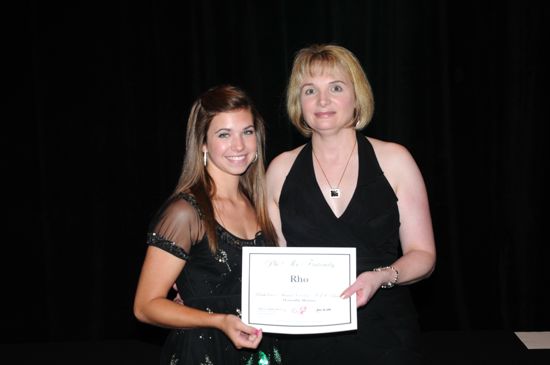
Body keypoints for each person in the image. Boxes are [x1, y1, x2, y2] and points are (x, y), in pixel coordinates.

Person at [266, 44, 436, 364]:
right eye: (310, 90)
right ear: (297, 103)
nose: (322, 100)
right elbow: (270, 264)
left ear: (357, 97)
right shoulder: (279, 170)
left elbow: (424, 255)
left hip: (385, 333)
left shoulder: (395, 160)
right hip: (304, 338)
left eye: (336, 87)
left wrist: (380, 277)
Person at [134, 84, 283, 364]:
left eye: (247, 132)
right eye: (224, 134)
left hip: (261, 352)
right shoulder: (185, 212)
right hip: (205, 353)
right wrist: (219, 321)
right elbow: (145, 306)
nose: (239, 145)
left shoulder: (258, 205)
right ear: (203, 143)